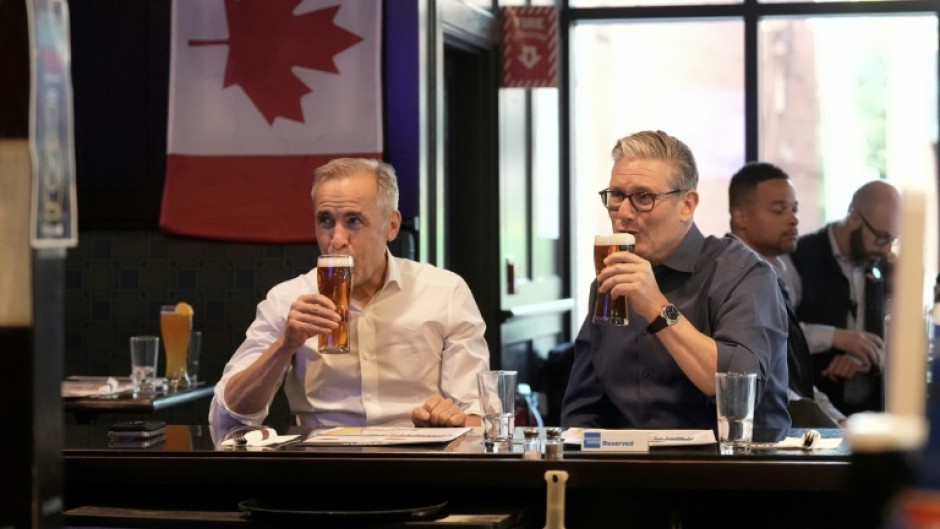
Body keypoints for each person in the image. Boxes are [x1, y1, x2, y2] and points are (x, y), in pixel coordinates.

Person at [209, 158, 490, 429]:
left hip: (418, 454)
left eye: (354, 220)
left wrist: (446, 421)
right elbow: (226, 418)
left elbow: (481, 416)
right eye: (326, 221)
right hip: (324, 456)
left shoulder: (445, 292)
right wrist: (285, 345)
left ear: (391, 226)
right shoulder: (288, 299)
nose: (337, 240)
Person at [561, 130, 791, 441]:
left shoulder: (744, 275)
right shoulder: (610, 280)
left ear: (687, 204)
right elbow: (582, 411)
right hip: (625, 465)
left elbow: (739, 388)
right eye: (616, 196)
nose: (623, 213)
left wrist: (657, 307)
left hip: (728, 464)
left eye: (644, 198)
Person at [728, 162, 844, 428]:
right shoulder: (730, 275)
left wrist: (837, 419)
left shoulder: (773, 273)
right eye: (779, 210)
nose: (793, 219)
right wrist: (831, 425)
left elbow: (792, 374)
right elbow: (768, 383)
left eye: (794, 209)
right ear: (741, 217)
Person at [780, 180, 900, 416]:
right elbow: (781, 333)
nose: (886, 250)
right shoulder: (797, 257)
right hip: (813, 418)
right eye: (881, 237)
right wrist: (836, 338)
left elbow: (904, 342)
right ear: (854, 217)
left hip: (872, 417)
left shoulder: (887, 267)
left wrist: (872, 357)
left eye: (892, 240)